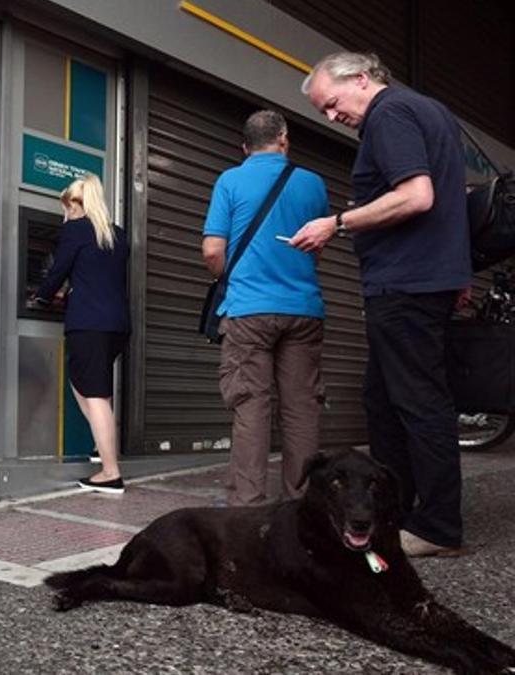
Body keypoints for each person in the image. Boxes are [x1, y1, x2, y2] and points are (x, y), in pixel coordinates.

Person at [291, 52, 472, 557]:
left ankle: (437, 527)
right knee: (384, 400)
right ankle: (399, 511)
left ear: (363, 80)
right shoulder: (429, 111)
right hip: (425, 277)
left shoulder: (389, 114)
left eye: (331, 104)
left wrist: (338, 223)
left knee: (418, 403)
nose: (332, 117)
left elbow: (417, 196)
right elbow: (451, 198)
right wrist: (455, 271)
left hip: (406, 283)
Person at [201, 110, 329, 506]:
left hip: (249, 311)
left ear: (244, 147)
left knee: (250, 405)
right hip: (303, 309)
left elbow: (212, 250)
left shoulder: (231, 180)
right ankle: (304, 503)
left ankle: (248, 505)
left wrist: (231, 277)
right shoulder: (312, 184)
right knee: (301, 409)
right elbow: (317, 246)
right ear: (284, 140)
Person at [29, 174, 130, 494]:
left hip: (89, 323)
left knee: (93, 391)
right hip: (117, 324)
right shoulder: (117, 235)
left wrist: (41, 296)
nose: (65, 213)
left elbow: (59, 269)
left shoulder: (76, 229)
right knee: (91, 383)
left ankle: (110, 473)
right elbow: (97, 274)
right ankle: (104, 447)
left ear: (79, 203)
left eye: (68, 206)